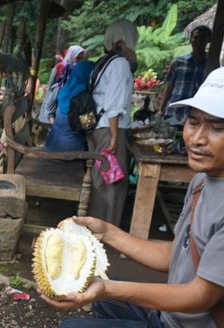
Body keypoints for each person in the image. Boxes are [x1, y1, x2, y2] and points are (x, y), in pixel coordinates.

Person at [42, 64, 224, 328]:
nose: (196, 138)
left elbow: (200, 295)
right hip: (176, 323)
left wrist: (107, 288)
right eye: (193, 121)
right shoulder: (205, 178)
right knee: (100, 299)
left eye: (218, 127)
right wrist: (107, 232)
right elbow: (176, 255)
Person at [87, 19, 139, 226]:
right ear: (124, 39)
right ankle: (106, 231)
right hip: (110, 129)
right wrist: (115, 136)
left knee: (101, 181)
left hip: (99, 128)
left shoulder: (104, 61)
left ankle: (95, 227)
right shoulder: (119, 64)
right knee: (113, 184)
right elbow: (114, 104)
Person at [44, 46, 94, 152]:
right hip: (69, 153)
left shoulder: (65, 92)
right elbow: (88, 126)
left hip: (52, 146)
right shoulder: (83, 98)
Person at [159, 25, 211, 123]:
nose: (199, 41)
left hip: (196, 112)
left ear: (208, 41)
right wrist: (161, 109)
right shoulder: (178, 62)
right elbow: (169, 86)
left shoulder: (211, 64)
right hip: (174, 110)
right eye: (196, 37)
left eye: (203, 38)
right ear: (191, 39)